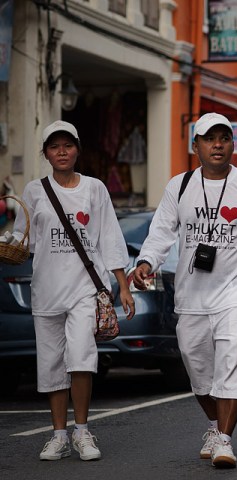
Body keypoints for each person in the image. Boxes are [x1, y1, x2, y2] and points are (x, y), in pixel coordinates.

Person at [131, 112, 237, 469]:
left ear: (233, 144)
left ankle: (225, 441)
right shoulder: (180, 186)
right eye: (209, 138)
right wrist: (145, 262)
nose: (217, 145)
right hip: (192, 297)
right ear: (196, 146)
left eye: (224, 138)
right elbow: (160, 232)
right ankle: (215, 426)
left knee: (231, 367)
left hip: (236, 295)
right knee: (198, 370)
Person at [12, 121, 135, 461]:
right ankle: (58, 435)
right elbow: (23, 241)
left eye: (68, 145)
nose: (62, 151)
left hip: (85, 288)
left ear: (78, 149)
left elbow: (110, 236)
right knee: (51, 365)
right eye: (55, 146)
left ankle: (82, 431)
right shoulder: (34, 191)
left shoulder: (95, 189)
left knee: (81, 358)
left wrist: (122, 285)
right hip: (47, 290)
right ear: (46, 153)